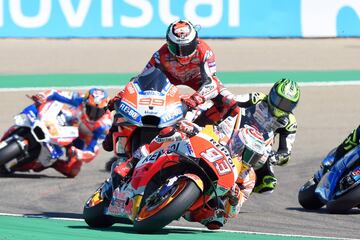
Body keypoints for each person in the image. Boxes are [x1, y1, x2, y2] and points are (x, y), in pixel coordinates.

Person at [102, 19, 223, 160]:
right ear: (168, 43)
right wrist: (121, 96)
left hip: (196, 78)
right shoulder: (160, 54)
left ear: (196, 41)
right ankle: (116, 139)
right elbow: (141, 79)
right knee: (124, 107)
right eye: (176, 47)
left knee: (228, 103)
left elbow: (213, 83)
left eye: (186, 47)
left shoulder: (205, 51)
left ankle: (204, 133)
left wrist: (195, 99)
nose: (182, 53)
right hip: (170, 78)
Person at [111, 119, 256, 230]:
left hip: (209, 192)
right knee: (170, 133)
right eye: (246, 150)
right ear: (236, 141)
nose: (248, 158)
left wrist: (234, 199)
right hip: (192, 157)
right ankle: (131, 163)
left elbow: (233, 213)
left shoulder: (249, 177)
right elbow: (201, 131)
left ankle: (171, 206)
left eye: (254, 156)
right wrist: (189, 127)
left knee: (217, 221)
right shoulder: (221, 136)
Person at [193, 78, 301, 193]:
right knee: (205, 118)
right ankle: (194, 136)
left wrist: (276, 157)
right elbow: (232, 101)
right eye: (279, 100)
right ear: (272, 93)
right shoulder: (257, 98)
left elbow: (285, 151)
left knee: (268, 184)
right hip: (235, 131)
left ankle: (235, 192)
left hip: (258, 147)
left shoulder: (290, 122)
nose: (281, 106)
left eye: (287, 104)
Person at [30, 88, 112, 177]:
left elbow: (92, 151)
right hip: (66, 121)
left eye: (99, 111)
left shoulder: (104, 125)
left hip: (80, 140)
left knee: (72, 170)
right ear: (85, 103)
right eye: (90, 108)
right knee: (41, 105)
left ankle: (51, 162)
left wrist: (78, 153)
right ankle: (30, 122)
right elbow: (55, 93)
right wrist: (42, 96)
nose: (94, 114)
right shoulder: (80, 98)